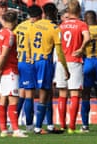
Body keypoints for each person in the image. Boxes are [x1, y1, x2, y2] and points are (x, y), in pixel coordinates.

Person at [29, 2, 69, 134]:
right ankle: (38, 127)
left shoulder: (34, 25)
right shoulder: (54, 28)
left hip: (34, 60)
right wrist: (65, 68)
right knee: (44, 93)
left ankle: (50, 125)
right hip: (44, 62)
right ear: (53, 13)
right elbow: (59, 51)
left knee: (49, 92)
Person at [0, 10, 28, 138]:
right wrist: (0, 69)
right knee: (13, 100)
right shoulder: (10, 35)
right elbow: (5, 53)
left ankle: (3, 130)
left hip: (2, 71)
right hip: (10, 70)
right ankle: (16, 130)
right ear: (15, 21)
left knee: (3, 100)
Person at [59, 0, 90, 134]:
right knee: (75, 93)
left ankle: (62, 125)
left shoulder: (62, 25)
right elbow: (87, 38)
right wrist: (81, 48)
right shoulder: (82, 24)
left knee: (62, 93)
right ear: (79, 11)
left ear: (68, 11)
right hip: (75, 60)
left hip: (62, 61)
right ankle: (71, 126)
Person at [14, 4, 42, 132]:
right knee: (29, 94)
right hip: (28, 62)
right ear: (37, 17)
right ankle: (29, 125)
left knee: (21, 93)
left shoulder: (20, 26)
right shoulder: (34, 27)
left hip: (19, 61)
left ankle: (13, 123)